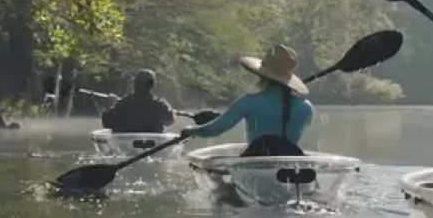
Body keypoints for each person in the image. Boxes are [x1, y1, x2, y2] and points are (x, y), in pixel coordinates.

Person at [181, 44, 313, 157]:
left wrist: (191, 130)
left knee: (243, 151)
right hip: (289, 166)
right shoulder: (306, 107)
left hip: (255, 164)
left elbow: (215, 129)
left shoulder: (248, 102)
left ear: (261, 76)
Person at [100, 69, 175, 133]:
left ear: (135, 84)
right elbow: (170, 120)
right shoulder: (160, 104)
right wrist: (169, 108)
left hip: (126, 146)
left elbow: (107, 123)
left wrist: (110, 105)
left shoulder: (123, 104)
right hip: (153, 145)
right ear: (153, 85)